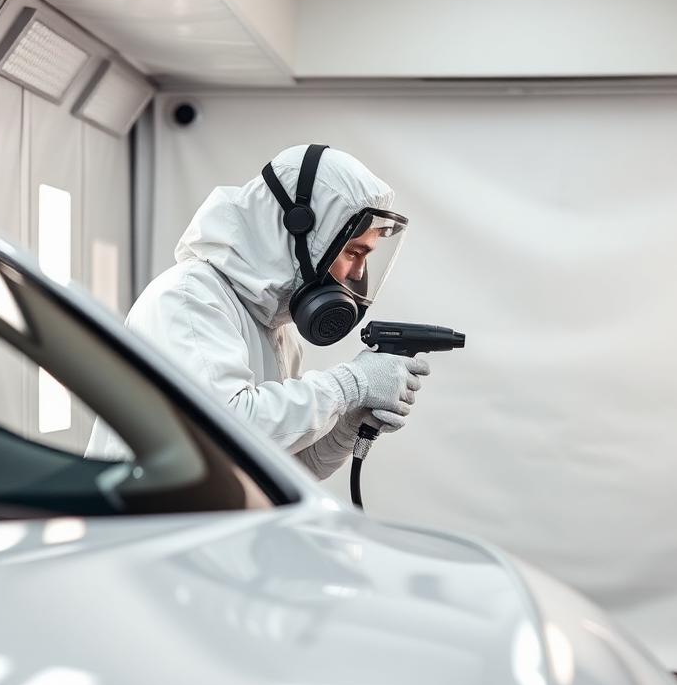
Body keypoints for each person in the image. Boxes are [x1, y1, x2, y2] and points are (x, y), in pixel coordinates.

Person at [86, 144, 429, 479]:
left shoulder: (276, 327)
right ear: (302, 231)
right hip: (153, 530)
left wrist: (347, 426)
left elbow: (283, 469)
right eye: (354, 252)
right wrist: (350, 384)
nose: (357, 274)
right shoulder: (189, 297)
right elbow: (226, 432)